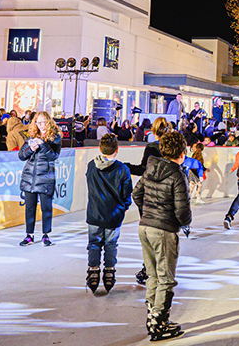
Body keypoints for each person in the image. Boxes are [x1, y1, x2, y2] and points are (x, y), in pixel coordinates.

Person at [132, 128, 191, 341]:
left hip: (145, 227)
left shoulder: (151, 168)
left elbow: (136, 194)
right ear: (182, 153)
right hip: (164, 230)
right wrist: (182, 222)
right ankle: (158, 323)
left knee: (153, 275)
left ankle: (153, 317)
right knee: (165, 278)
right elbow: (182, 210)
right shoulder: (177, 174)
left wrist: (148, 212)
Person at [85, 133, 133, 294]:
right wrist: (125, 206)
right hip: (114, 214)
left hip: (95, 213)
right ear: (117, 150)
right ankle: (109, 272)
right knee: (111, 244)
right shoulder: (122, 169)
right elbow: (127, 192)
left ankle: (93, 271)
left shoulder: (92, 166)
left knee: (94, 243)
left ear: (99, 148)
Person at [18, 112, 62, 247]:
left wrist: (43, 144)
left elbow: (53, 156)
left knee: (46, 207)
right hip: (30, 176)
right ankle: (29, 235)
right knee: (30, 208)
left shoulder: (55, 137)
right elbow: (21, 155)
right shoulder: (31, 136)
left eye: (43, 122)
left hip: (45, 176)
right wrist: (31, 148)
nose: (40, 125)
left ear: (48, 122)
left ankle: (46, 235)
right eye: (38, 122)